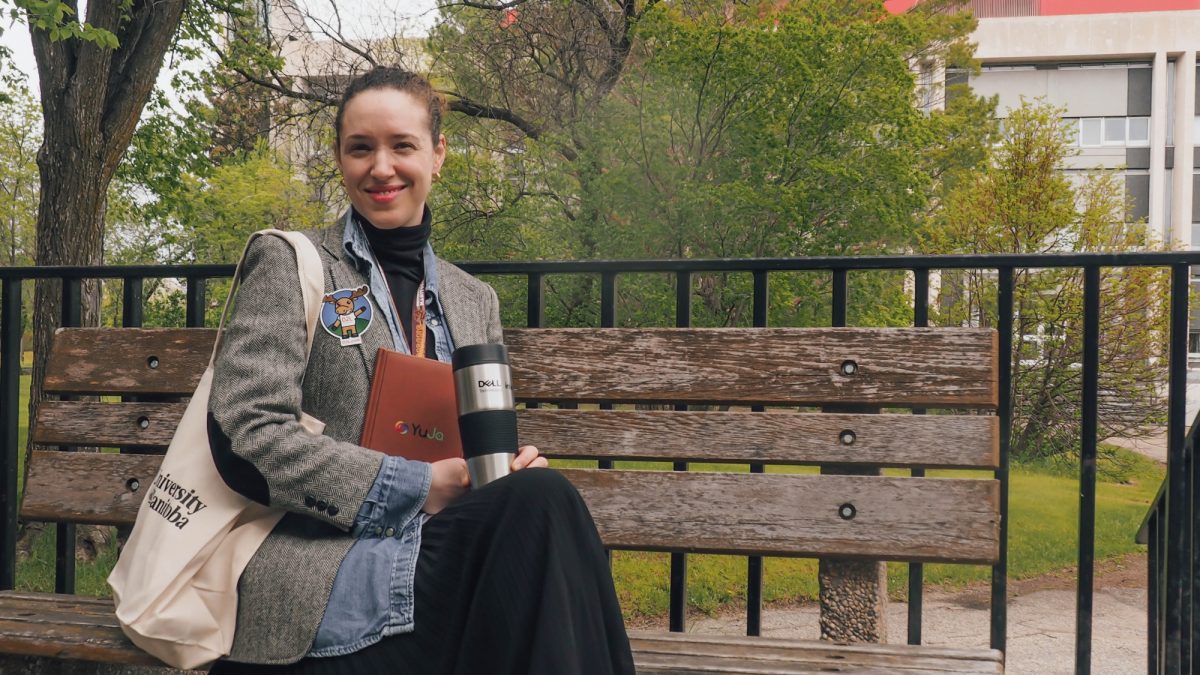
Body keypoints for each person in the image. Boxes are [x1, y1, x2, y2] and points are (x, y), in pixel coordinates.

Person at [205, 67, 635, 674]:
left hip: (439, 556)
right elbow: (248, 436)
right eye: (361, 148)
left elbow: (480, 447)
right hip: (320, 573)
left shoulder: (471, 298)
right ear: (340, 158)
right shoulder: (293, 263)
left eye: (402, 145)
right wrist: (416, 485)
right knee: (545, 510)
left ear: (438, 154)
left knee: (538, 497)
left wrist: (502, 472)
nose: (381, 167)